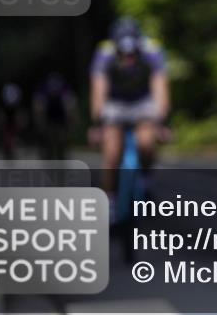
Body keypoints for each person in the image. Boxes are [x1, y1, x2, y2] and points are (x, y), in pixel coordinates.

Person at [89, 17, 169, 207]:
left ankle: (146, 180)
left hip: (142, 100)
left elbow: (160, 88)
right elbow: (99, 91)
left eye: (132, 54)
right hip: (115, 102)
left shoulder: (153, 50)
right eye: (124, 54)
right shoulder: (104, 52)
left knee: (146, 143)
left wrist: (162, 122)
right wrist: (97, 125)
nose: (129, 59)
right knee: (112, 153)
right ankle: (110, 199)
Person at [32, 72, 78, 161]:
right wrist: (39, 122)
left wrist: (72, 121)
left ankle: (59, 155)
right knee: (48, 138)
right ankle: (49, 154)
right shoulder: (44, 90)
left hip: (60, 117)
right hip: (49, 116)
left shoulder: (63, 89)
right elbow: (38, 107)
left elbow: (71, 106)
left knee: (60, 139)